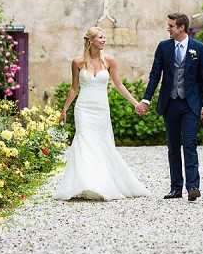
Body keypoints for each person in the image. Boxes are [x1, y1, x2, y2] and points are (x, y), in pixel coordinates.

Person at [54, 26, 150, 200]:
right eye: (100, 37)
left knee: (101, 144)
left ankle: (101, 183)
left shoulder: (110, 61)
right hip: (83, 108)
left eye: (104, 37)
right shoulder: (77, 62)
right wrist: (64, 109)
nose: (104, 40)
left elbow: (119, 85)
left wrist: (136, 103)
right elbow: (74, 88)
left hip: (101, 110)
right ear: (90, 41)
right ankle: (84, 184)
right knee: (84, 143)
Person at [136, 13, 203, 202]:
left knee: (190, 144)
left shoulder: (199, 48)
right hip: (170, 104)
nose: (168, 28)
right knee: (173, 147)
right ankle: (176, 188)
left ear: (181, 28)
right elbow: (155, 75)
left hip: (190, 105)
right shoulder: (163, 47)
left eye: (171, 26)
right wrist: (146, 99)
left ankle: (193, 187)